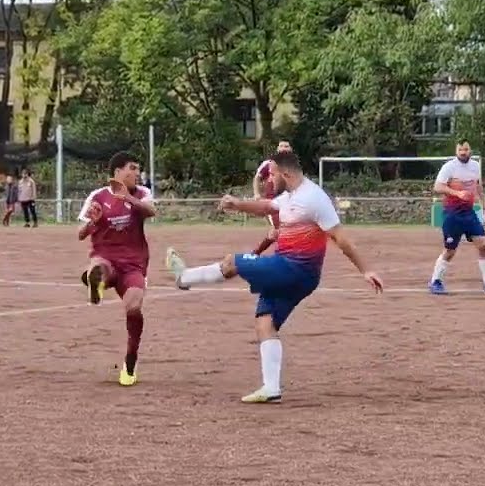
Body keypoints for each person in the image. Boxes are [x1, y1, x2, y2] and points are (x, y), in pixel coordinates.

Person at [164, 149, 382, 404]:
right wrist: (238, 204)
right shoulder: (290, 195)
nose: (269, 180)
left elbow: (340, 238)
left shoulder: (314, 198)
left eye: (273, 175)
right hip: (297, 274)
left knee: (233, 262)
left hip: (293, 268)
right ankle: (271, 388)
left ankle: (184, 278)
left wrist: (365, 269)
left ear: (286, 173)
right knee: (265, 322)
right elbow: (267, 206)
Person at [77, 152, 158, 387]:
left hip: (133, 263)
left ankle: (130, 361)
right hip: (106, 257)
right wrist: (94, 221)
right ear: (117, 172)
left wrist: (128, 199)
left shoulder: (142, 193)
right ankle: (97, 283)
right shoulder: (97, 196)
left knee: (134, 307)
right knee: (99, 267)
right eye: (132, 168)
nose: (137, 172)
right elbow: (80, 234)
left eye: (138, 168)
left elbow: (151, 211)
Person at [428, 141, 485, 295]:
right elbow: (437, 187)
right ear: (456, 150)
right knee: (450, 251)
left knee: (483, 245)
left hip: (469, 213)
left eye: (466, 149)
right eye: (460, 149)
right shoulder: (449, 167)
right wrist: (457, 193)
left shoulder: (475, 166)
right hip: (452, 213)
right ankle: (435, 281)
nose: (463, 152)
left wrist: (484, 204)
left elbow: (478, 186)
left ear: (470, 150)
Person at [249, 140, 294, 256]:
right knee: (282, 229)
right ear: (278, 149)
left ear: (291, 150)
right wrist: (256, 194)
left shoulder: (294, 168)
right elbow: (257, 178)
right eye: (282, 146)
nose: (284, 148)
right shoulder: (269, 164)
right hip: (272, 203)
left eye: (286, 146)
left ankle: (255, 253)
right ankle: (285, 256)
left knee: (276, 232)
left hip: (288, 204)